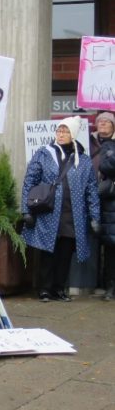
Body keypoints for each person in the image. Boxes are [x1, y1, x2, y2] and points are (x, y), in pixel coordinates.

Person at [22, 116, 100, 302]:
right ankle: (44, 289)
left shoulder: (83, 159)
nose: (61, 134)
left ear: (73, 134)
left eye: (65, 131)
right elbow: (29, 181)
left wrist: (95, 216)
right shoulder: (44, 153)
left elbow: (91, 189)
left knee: (65, 252)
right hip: (49, 212)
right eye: (59, 131)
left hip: (72, 214)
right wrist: (26, 209)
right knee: (48, 252)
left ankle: (59, 288)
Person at [94, 112, 115, 300]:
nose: (103, 124)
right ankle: (108, 285)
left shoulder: (109, 146)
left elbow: (107, 167)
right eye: (100, 121)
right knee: (109, 246)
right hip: (102, 201)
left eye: (107, 122)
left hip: (110, 199)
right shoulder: (92, 143)